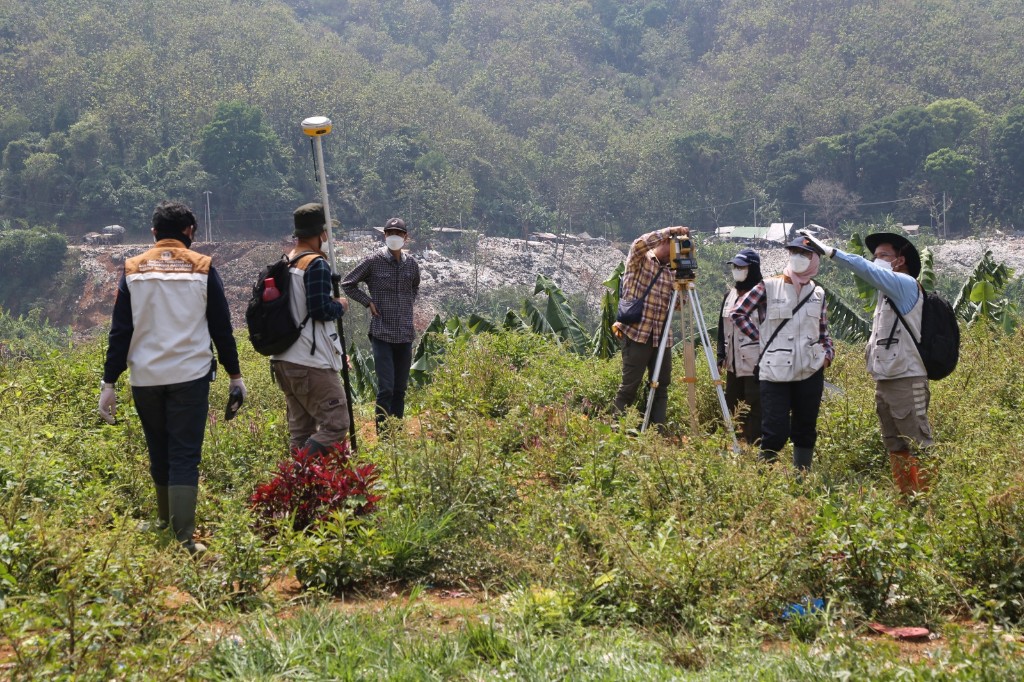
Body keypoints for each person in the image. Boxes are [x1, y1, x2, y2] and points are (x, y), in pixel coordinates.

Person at [99, 200, 246, 555]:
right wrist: (234, 374)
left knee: (159, 449)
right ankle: (183, 536)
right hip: (189, 375)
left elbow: (121, 331)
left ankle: (165, 522)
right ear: (189, 232)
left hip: (145, 377)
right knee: (184, 454)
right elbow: (221, 327)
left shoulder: (133, 269)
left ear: (153, 233)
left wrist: (109, 382)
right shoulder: (202, 267)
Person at [804, 231, 932, 495]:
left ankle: (930, 504)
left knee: (918, 444)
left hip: (907, 378)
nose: (877, 261)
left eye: (884, 256)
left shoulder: (905, 285)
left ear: (900, 261)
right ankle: (907, 500)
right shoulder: (885, 296)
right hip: (886, 380)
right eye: (874, 257)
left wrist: (832, 252)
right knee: (895, 445)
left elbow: (865, 270)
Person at [731, 236, 834, 471]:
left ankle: (802, 478)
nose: (798, 258)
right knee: (775, 430)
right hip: (775, 371)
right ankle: (764, 479)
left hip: (810, 370)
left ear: (814, 260)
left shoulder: (818, 293)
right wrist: (762, 338)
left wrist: (827, 355)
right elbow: (739, 313)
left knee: (806, 428)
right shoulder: (769, 285)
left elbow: (823, 332)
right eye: (794, 252)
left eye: (804, 254)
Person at [271, 203, 351, 453]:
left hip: (284, 360)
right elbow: (319, 309)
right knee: (337, 424)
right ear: (321, 233)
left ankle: (296, 488)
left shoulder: (287, 262)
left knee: (301, 431)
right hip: (310, 361)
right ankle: (300, 469)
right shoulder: (315, 264)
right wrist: (340, 305)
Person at [341, 217, 420, 432]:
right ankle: (385, 435)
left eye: (399, 233)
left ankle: (398, 432)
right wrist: (368, 302)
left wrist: (405, 304)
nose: (394, 236)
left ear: (406, 237)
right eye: (390, 233)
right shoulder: (373, 261)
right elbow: (348, 283)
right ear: (384, 235)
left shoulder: (411, 264)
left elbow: (414, 287)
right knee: (386, 388)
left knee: (400, 389)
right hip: (382, 333)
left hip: (404, 334)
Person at [611, 225, 690, 428]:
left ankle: (657, 431)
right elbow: (639, 244)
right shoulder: (641, 259)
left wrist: (684, 282)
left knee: (661, 385)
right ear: (664, 242)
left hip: (661, 337)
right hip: (637, 333)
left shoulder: (671, 271)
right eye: (674, 246)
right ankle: (616, 430)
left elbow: (680, 306)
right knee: (629, 386)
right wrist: (670, 231)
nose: (676, 251)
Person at [717, 248, 764, 444]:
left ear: (751, 268)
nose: (737, 270)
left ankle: (755, 444)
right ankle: (735, 442)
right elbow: (722, 328)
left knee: (755, 404)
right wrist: (720, 355)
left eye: (741, 267)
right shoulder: (730, 295)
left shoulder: (762, 295)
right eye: (735, 266)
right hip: (733, 362)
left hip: (755, 362)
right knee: (732, 403)